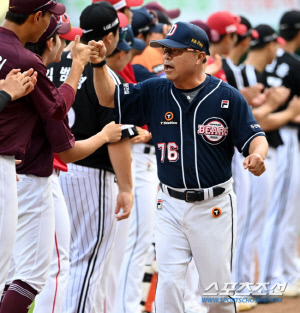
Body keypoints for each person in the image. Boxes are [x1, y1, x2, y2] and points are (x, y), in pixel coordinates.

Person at [89, 21, 268, 313]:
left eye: (175, 51)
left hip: (214, 207)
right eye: (164, 50)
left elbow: (254, 136)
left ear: (200, 56)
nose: (166, 57)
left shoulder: (226, 96)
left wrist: (257, 155)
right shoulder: (155, 90)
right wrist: (99, 66)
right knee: (169, 285)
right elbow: (109, 97)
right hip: (169, 203)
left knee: (217, 294)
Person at [48, 3, 134, 313]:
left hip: (49, 171)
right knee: (87, 262)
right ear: (111, 37)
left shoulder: (52, 62)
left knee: (57, 264)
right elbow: (116, 135)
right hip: (90, 175)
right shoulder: (107, 77)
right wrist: (126, 187)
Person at [0, 0, 67, 296]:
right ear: (37, 16)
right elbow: (57, 109)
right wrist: (77, 67)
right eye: (50, 16)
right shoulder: (23, 58)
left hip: (12, 168)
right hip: (6, 166)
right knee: (16, 272)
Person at [259, 10, 300, 295]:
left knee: (277, 210)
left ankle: (284, 271)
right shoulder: (294, 64)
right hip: (283, 136)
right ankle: (274, 278)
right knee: (282, 210)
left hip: (272, 133)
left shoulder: (274, 62)